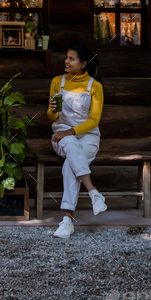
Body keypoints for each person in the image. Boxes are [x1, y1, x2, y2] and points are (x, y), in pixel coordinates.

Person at [47, 43, 106, 238]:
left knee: (69, 166)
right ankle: (93, 191)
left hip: (88, 137)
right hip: (61, 136)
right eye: (66, 57)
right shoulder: (58, 81)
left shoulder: (95, 86)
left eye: (71, 58)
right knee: (71, 145)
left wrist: (72, 131)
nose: (66, 61)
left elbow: (94, 120)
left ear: (83, 64)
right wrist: (53, 109)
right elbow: (52, 117)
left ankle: (67, 220)